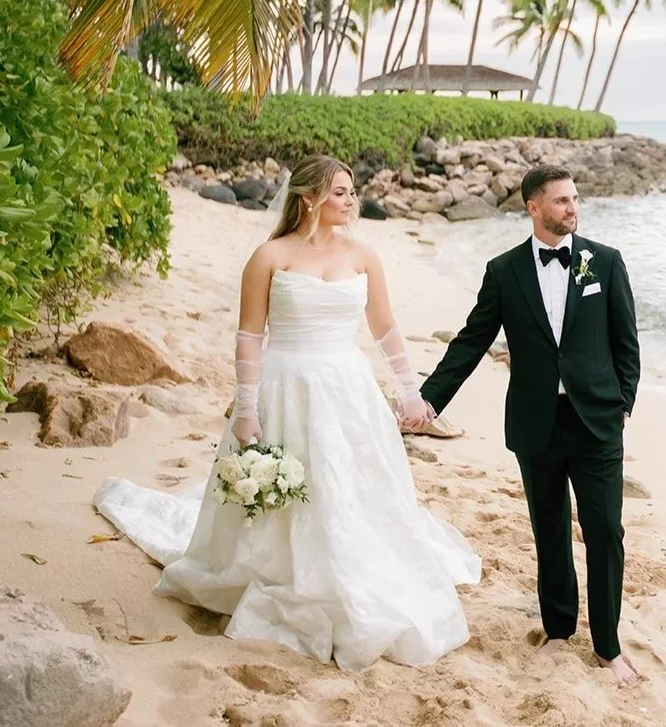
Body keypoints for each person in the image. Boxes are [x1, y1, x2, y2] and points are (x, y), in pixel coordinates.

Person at [94, 155, 480, 671]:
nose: (351, 200)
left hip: (348, 389)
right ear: (308, 198)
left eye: (351, 190)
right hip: (285, 387)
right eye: (340, 192)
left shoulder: (365, 254)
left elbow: (385, 328)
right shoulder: (270, 257)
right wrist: (246, 410)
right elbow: (249, 337)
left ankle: (346, 572)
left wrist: (410, 392)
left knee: (347, 486)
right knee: (290, 489)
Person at [414, 164, 641, 685]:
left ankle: (608, 645)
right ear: (533, 207)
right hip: (536, 421)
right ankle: (559, 630)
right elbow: (471, 342)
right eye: (561, 201)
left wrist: (621, 405)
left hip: (596, 422)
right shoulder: (504, 271)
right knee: (550, 530)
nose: (572, 208)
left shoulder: (604, 263)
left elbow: (626, 342)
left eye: (575, 199)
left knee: (606, 531)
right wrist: (428, 401)